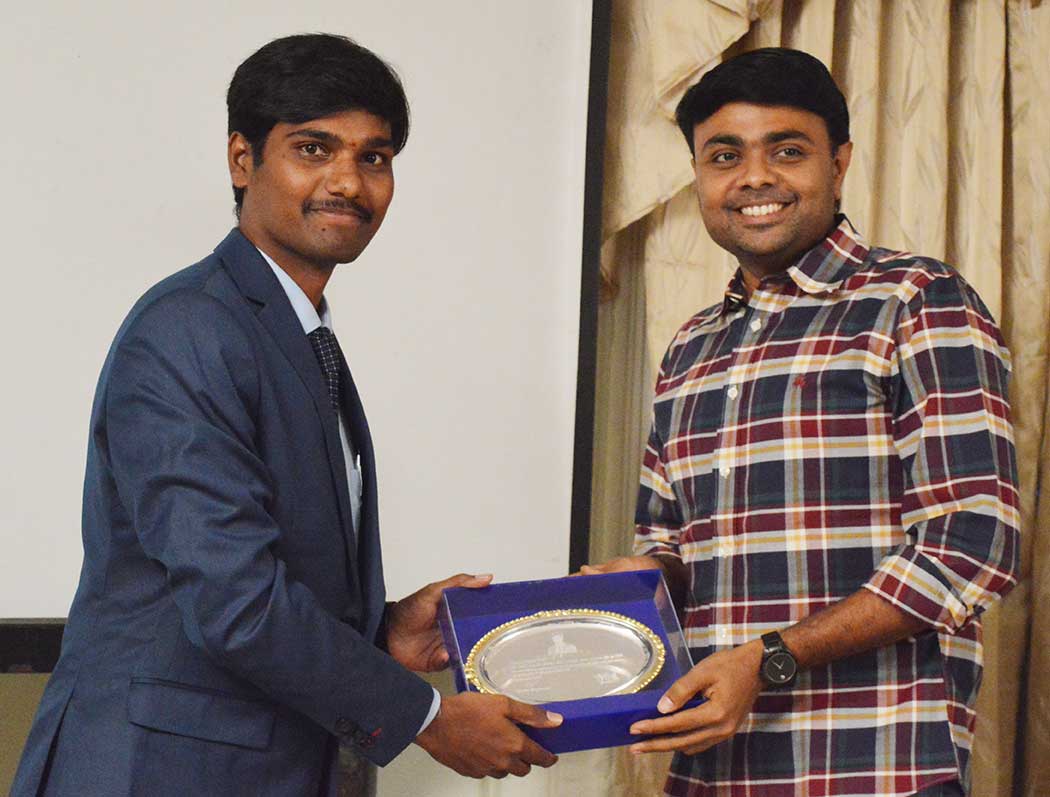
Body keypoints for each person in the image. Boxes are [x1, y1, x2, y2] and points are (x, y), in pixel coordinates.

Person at [11, 33, 561, 797]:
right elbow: (237, 604)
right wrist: (428, 717)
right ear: (242, 160)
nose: (349, 181)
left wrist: (384, 631)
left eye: (374, 157)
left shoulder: (296, 332)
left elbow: (265, 578)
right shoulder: (188, 328)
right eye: (313, 148)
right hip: (156, 773)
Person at [582, 48, 1019, 796]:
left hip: (877, 768)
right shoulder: (690, 346)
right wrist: (648, 581)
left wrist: (768, 658)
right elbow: (669, 542)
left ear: (839, 164)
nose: (754, 178)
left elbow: (972, 543)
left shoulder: (915, 300)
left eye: (787, 151)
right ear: (699, 175)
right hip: (712, 772)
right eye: (725, 156)